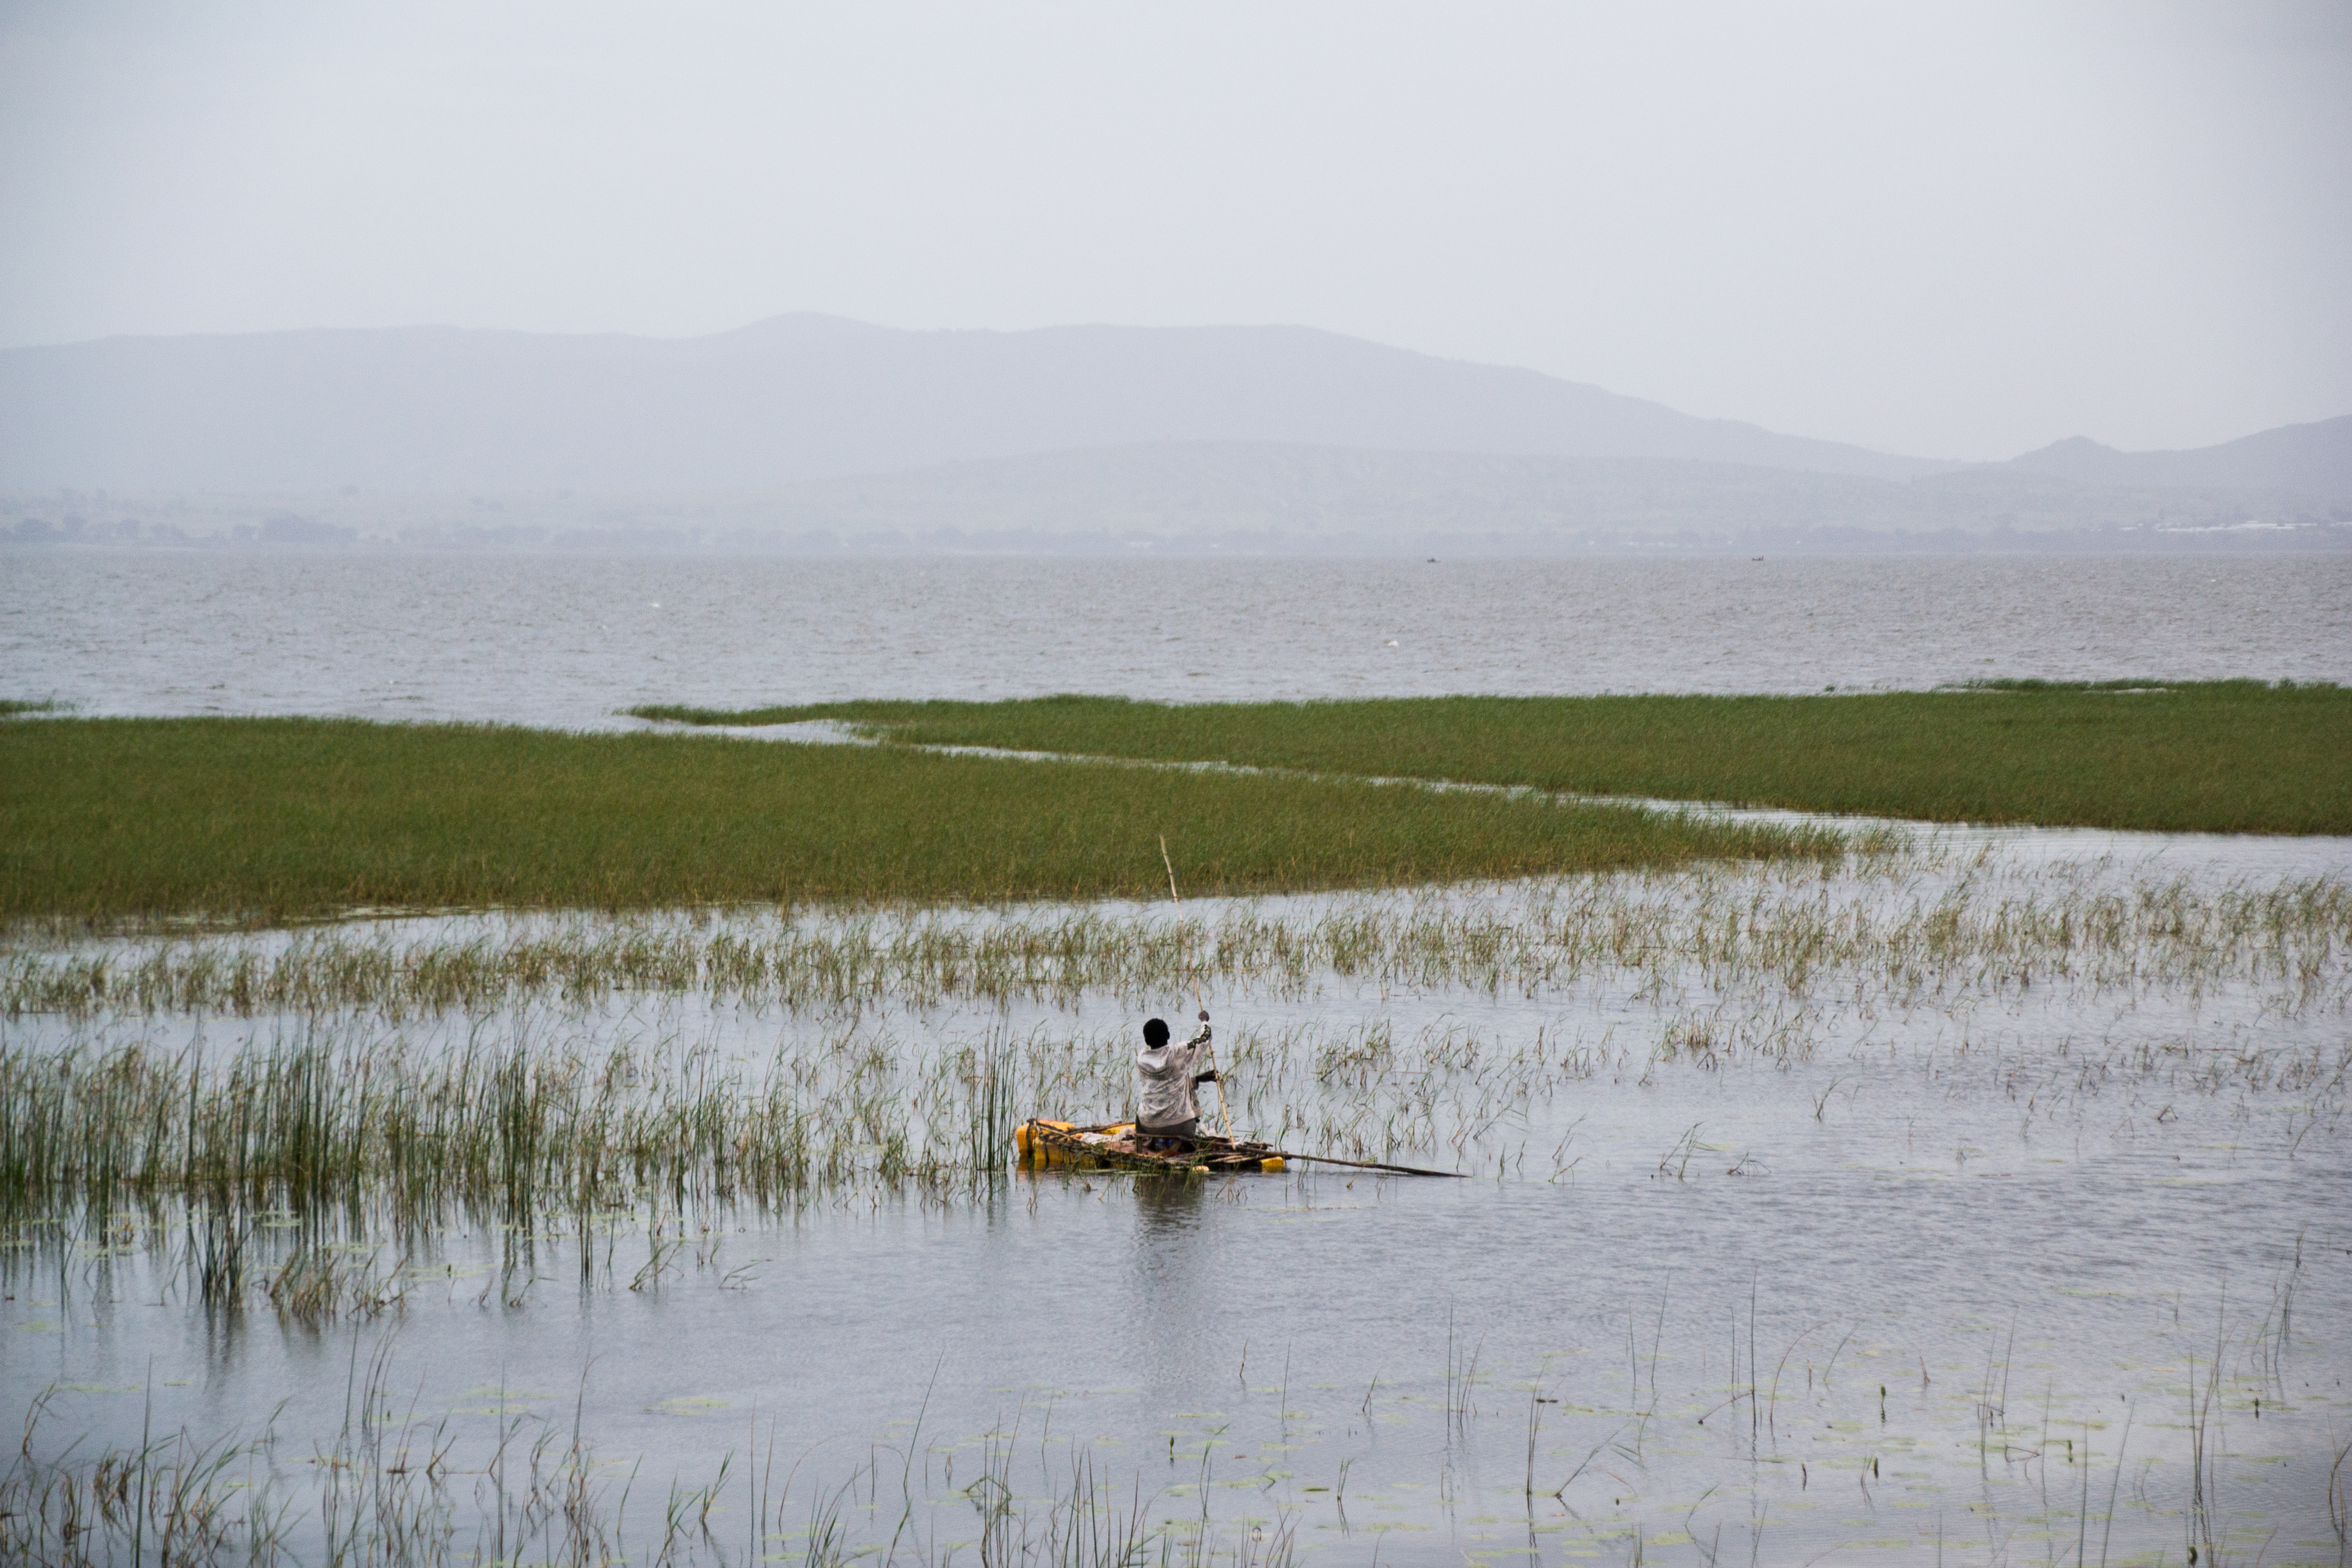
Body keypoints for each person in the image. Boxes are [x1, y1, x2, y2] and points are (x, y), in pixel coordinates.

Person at [1135, 1010, 1219, 1143]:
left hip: (1148, 1125)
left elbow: (1167, 1085)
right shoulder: (1178, 1052)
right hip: (1179, 1127)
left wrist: (1197, 1079)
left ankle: (1151, 1142)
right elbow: (1205, 1038)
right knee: (1186, 1120)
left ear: (1146, 1040)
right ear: (1168, 1036)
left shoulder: (1141, 1058)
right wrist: (1204, 1020)